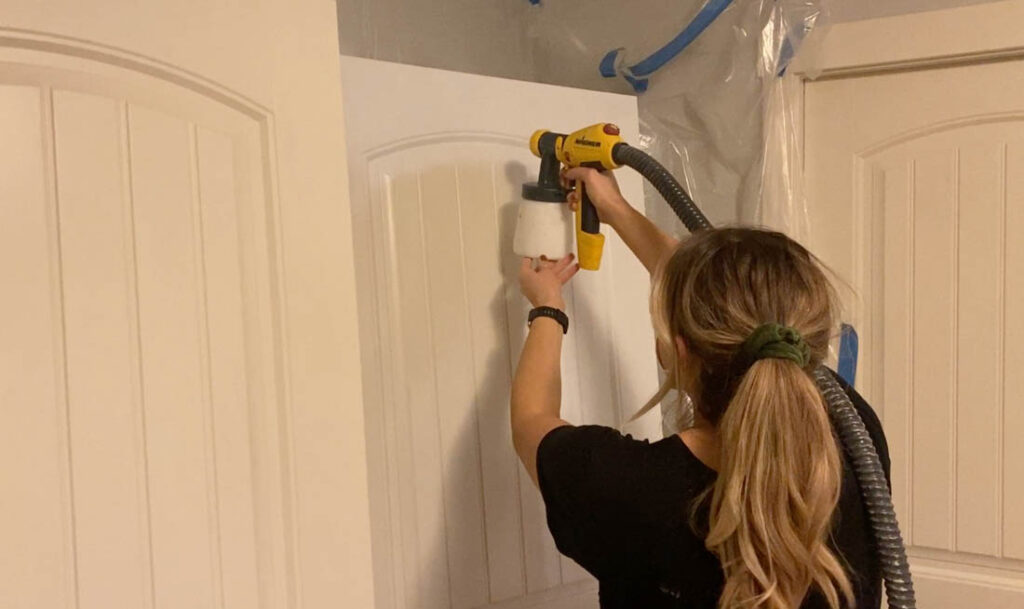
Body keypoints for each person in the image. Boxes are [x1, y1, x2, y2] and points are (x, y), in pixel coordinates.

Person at [510, 167, 889, 609]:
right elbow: (720, 304)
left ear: (680, 350)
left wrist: (548, 306)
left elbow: (530, 420)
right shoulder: (854, 432)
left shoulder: (626, 486)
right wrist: (617, 210)